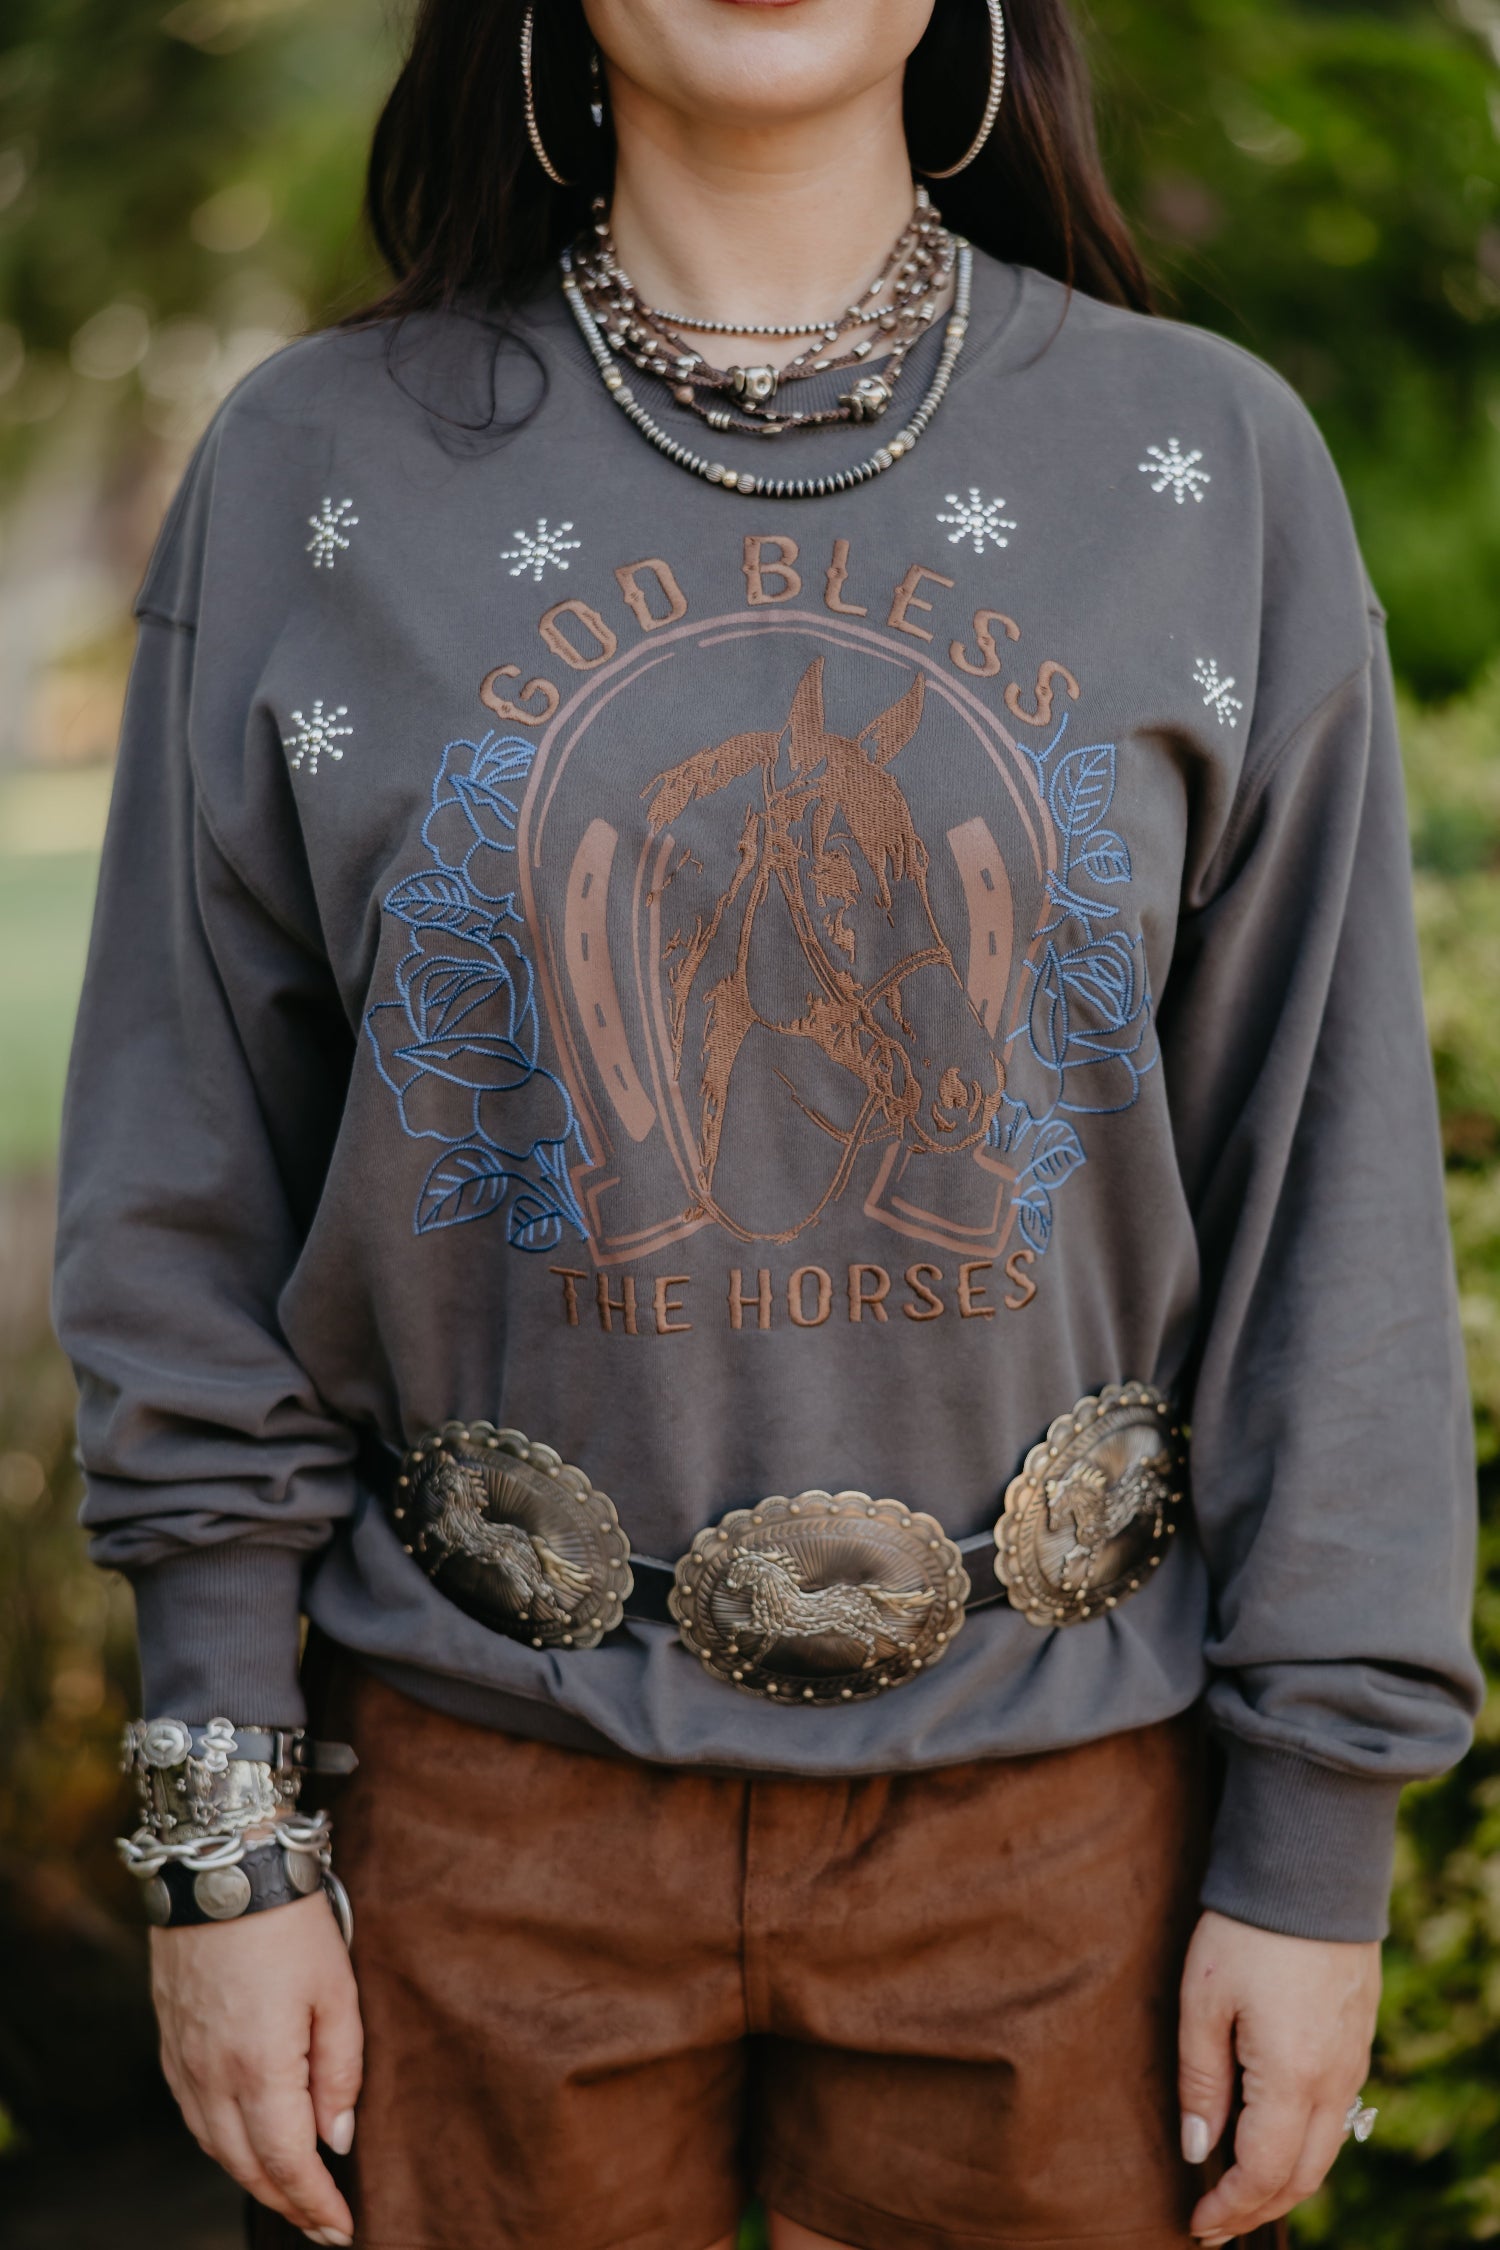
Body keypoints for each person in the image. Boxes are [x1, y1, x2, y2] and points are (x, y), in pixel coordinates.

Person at [53, 2, 1482, 2247]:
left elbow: (1331, 1198)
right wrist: (225, 1830)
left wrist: (1314, 1841)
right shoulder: (312, 467)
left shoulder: (1202, 459)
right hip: (472, 1831)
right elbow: (185, 1174)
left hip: (1059, 1845)